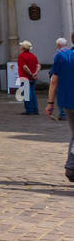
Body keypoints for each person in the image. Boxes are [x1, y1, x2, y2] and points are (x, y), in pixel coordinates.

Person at [47, 35, 74, 182]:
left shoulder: (62, 57)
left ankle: (71, 168)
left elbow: (53, 81)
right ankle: (71, 167)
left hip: (68, 103)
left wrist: (50, 103)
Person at [18, 40, 41, 115]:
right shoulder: (33, 56)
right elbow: (38, 65)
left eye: (21, 45)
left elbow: (25, 67)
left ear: (23, 48)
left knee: (27, 95)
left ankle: (29, 110)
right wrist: (35, 73)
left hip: (25, 77)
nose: (20, 46)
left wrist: (31, 74)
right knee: (33, 94)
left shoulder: (21, 56)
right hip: (32, 78)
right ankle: (35, 110)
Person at [57, 38, 70, 120]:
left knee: (61, 96)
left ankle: (63, 113)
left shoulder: (59, 54)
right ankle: (33, 109)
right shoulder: (71, 52)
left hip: (25, 77)